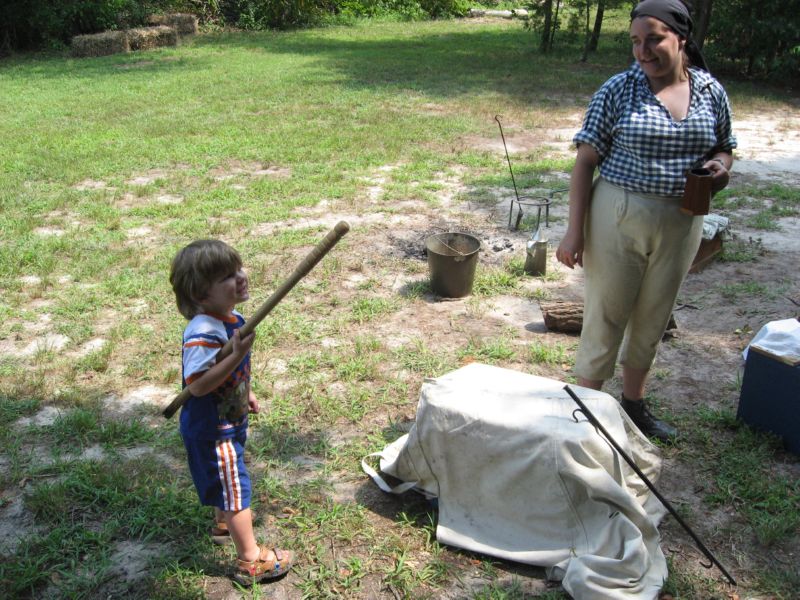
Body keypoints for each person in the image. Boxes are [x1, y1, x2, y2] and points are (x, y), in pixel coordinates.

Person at [555, 0, 736, 442]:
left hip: (683, 220)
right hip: (619, 213)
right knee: (606, 314)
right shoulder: (618, 90)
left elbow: (724, 144)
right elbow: (585, 162)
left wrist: (720, 166)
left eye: (654, 39)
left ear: (681, 38)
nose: (643, 51)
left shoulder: (710, 90)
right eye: (636, 41)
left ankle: (633, 405)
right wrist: (574, 232)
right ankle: (586, 413)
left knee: (655, 315)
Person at [170, 239, 294, 584]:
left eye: (238, 269)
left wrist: (245, 391)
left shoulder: (232, 318)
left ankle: (224, 523)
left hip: (228, 421)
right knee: (236, 489)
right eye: (227, 276)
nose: (240, 277)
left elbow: (228, 374)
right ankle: (250, 560)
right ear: (200, 294)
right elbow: (198, 385)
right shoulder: (203, 332)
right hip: (213, 431)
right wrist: (236, 355)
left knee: (227, 484)